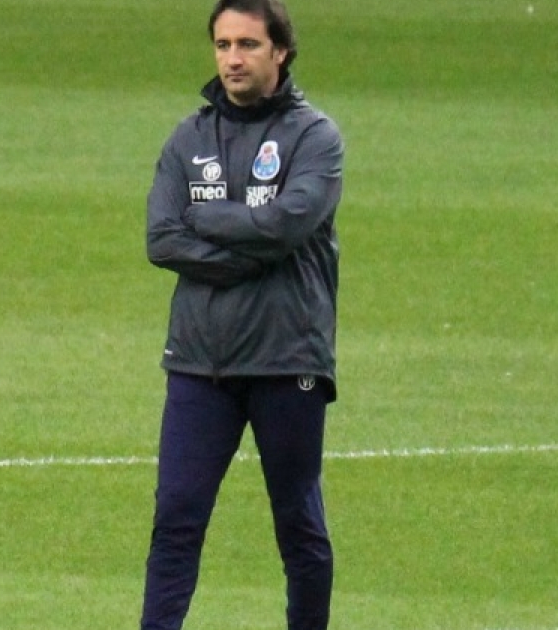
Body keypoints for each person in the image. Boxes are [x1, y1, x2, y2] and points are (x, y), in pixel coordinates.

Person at [140, 0, 344, 628]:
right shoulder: (188, 137)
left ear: (280, 51)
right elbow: (161, 239)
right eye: (223, 44)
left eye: (248, 45)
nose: (233, 58)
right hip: (200, 364)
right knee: (176, 518)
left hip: (286, 360)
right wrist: (242, 257)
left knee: (297, 523)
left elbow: (286, 225)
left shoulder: (314, 137)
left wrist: (208, 218)